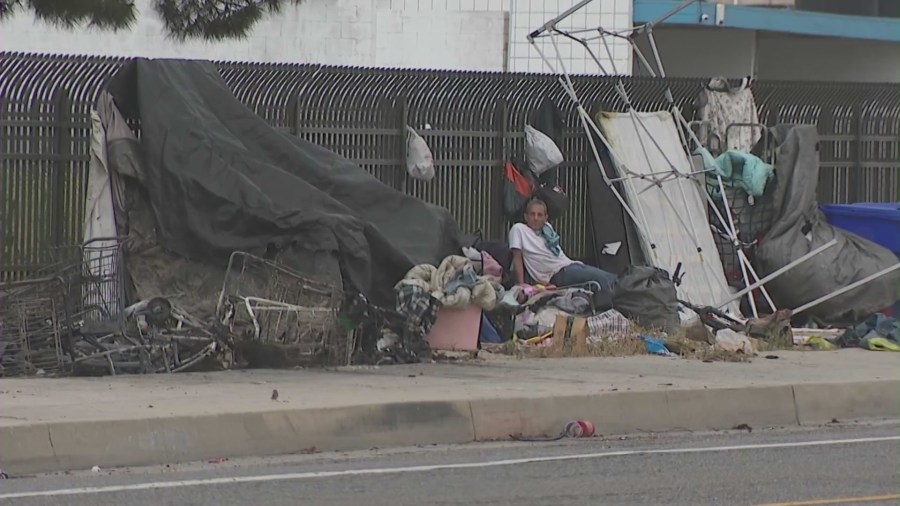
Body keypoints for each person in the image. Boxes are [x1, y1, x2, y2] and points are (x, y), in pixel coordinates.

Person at [508, 199, 617, 292]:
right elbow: (517, 258)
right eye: (532, 214)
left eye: (540, 215)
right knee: (602, 278)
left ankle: (626, 294)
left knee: (604, 277)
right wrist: (521, 287)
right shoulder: (519, 229)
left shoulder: (547, 229)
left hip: (569, 265)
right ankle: (627, 295)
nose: (536, 218)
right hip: (557, 273)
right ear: (525, 216)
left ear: (546, 218)